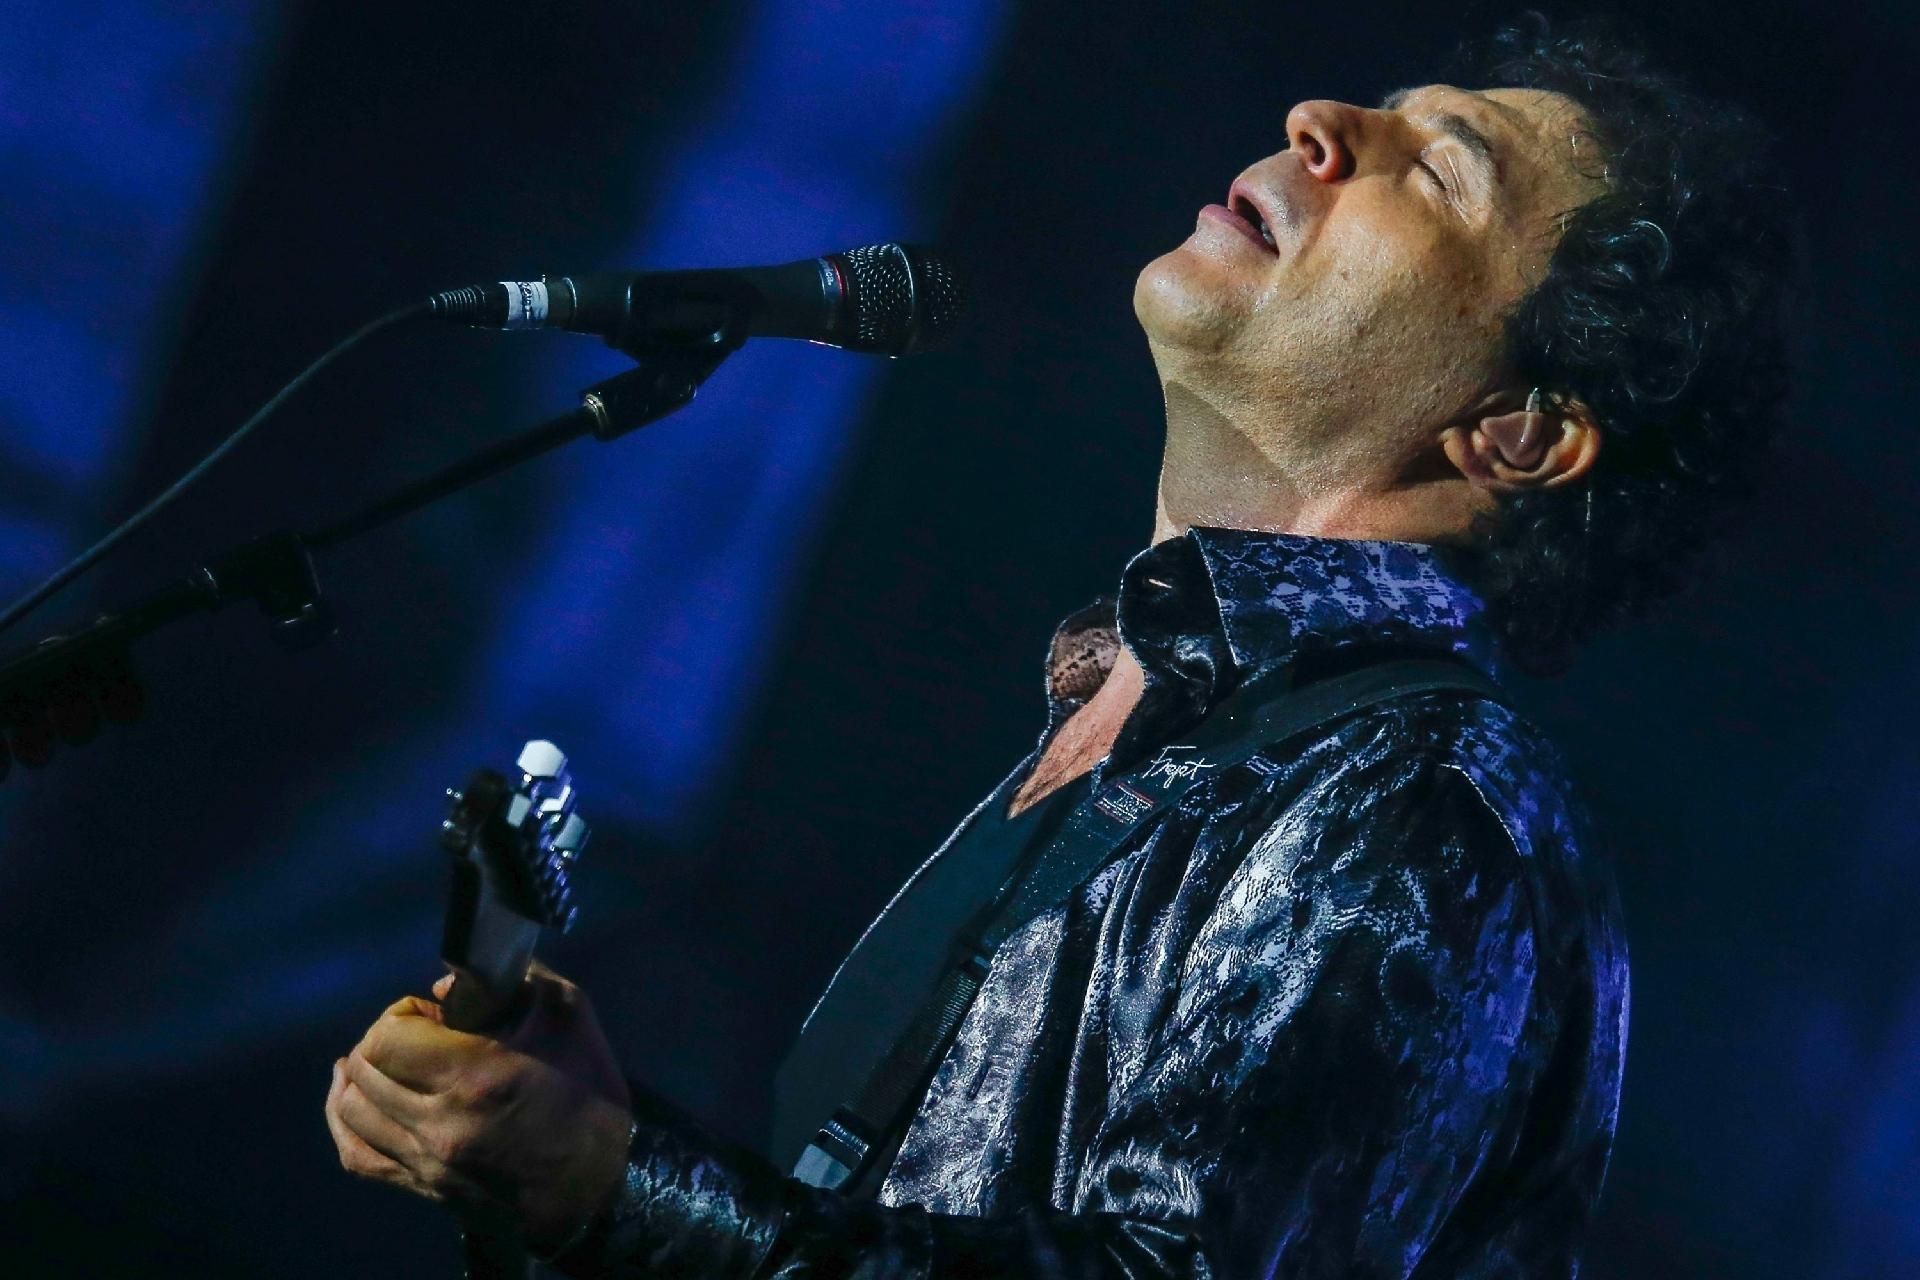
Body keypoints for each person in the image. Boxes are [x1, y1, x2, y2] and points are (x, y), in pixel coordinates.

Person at [323, 16, 1795, 1277]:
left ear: (1520, 432)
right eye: (1378, 115)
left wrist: (619, 1186)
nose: (1321, 122)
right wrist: (559, 1178)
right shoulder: (1145, 716)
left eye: (1441, 170)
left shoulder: (1426, 809)